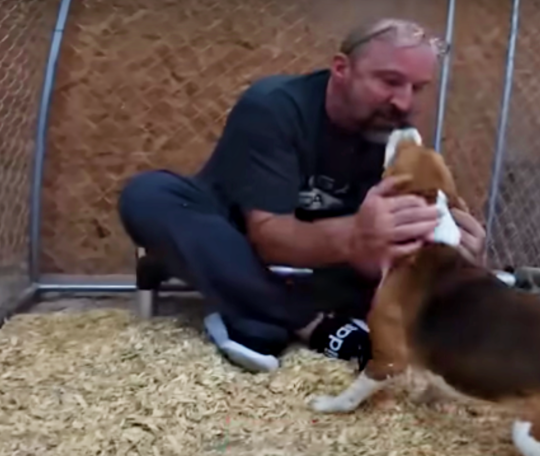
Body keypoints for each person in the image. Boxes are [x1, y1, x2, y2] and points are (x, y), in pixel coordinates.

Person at [117, 17, 487, 374]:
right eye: (390, 81)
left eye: (417, 88)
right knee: (148, 195)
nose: (405, 103)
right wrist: (359, 235)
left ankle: (252, 313)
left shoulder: (396, 132)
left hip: (320, 266)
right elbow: (270, 238)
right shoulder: (274, 106)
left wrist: (446, 246)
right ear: (341, 69)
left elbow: (375, 255)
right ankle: (311, 325)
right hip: (239, 243)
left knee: (447, 303)